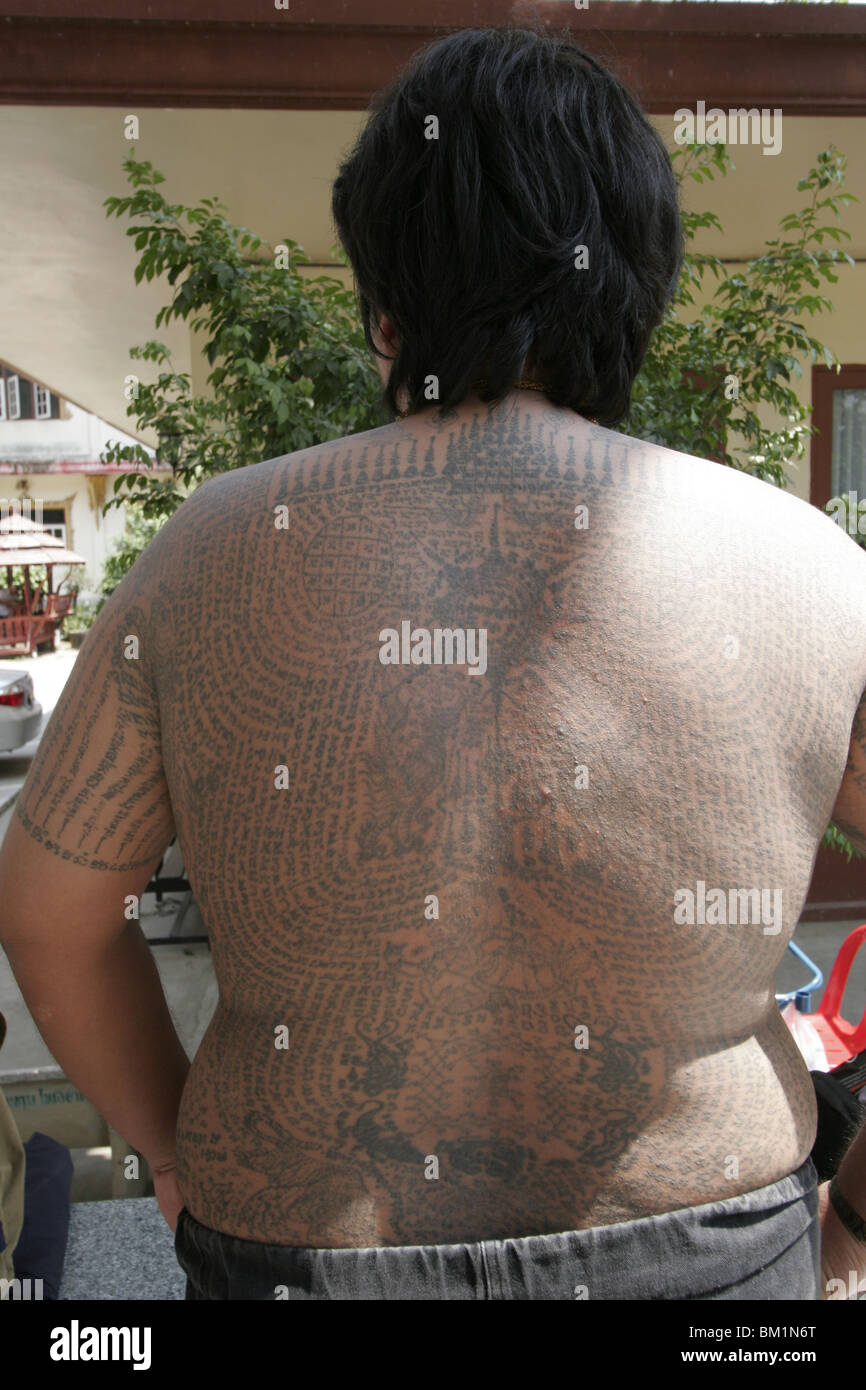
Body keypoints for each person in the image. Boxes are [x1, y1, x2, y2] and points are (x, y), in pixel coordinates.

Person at [0, 23, 865, 1301]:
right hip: (714, 1263)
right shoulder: (804, 573)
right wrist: (850, 1227)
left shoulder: (211, 556)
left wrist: (176, 1148)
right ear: (632, 282)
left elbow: (47, 912)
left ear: (385, 303)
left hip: (301, 1255)